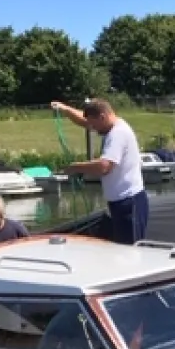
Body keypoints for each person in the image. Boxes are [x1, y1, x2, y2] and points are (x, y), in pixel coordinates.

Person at [51, 98, 148, 244]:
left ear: (102, 117)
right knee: (119, 249)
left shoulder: (118, 134)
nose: (93, 129)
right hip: (118, 203)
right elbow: (86, 121)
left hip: (129, 203)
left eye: (94, 125)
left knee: (130, 251)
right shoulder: (109, 125)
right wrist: (65, 109)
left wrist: (75, 167)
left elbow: (104, 166)